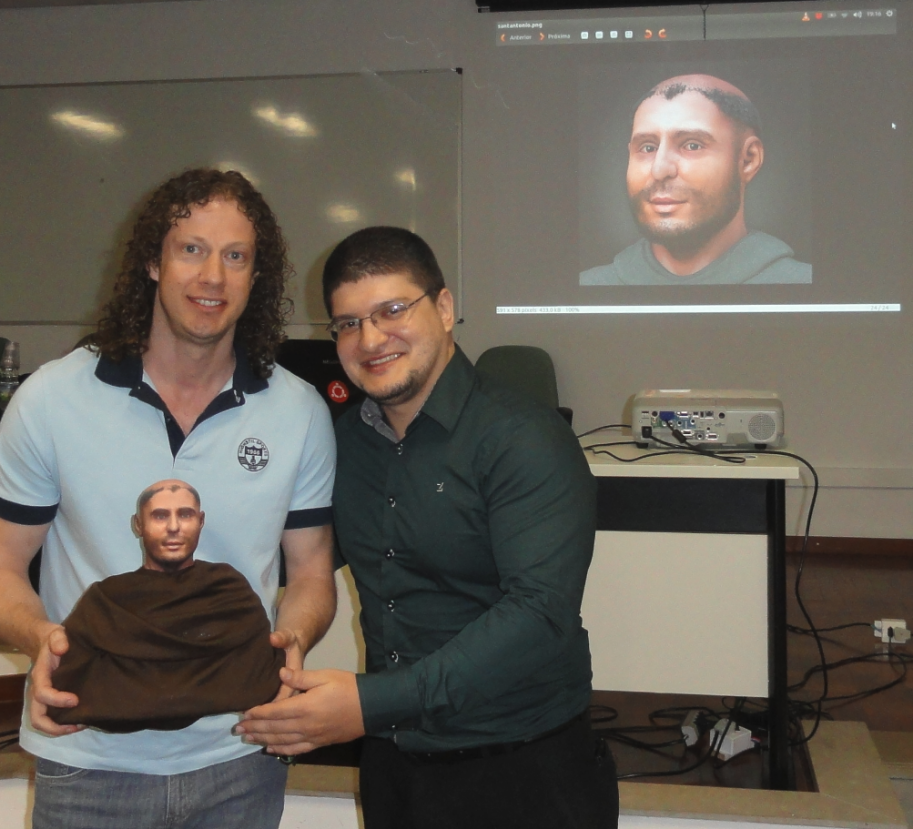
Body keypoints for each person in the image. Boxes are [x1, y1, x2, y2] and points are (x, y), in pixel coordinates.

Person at [0, 168, 337, 829]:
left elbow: (311, 572)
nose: (212, 278)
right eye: (190, 248)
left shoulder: (298, 411)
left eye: (235, 256)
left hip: (242, 750)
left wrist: (293, 636)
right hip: (88, 759)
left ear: (258, 277)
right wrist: (46, 639)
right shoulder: (52, 400)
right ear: (151, 262)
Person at [235, 227, 618, 829]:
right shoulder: (344, 443)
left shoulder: (525, 437)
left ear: (443, 308)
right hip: (397, 767)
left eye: (392, 310)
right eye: (347, 323)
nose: (370, 339)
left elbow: (541, 615)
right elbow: (293, 560)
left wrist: (368, 704)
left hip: (523, 771)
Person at [47, 480, 285, 734]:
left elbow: (258, 672)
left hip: (219, 751)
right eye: (160, 516)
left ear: (201, 521)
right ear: (138, 525)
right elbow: (73, 682)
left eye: (185, 515)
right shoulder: (106, 600)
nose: (174, 527)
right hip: (104, 757)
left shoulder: (229, 591)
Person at [580, 73, 812, 286]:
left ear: (748, 160)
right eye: (648, 147)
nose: (659, 169)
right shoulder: (590, 285)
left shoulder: (801, 285)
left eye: (692, 145)